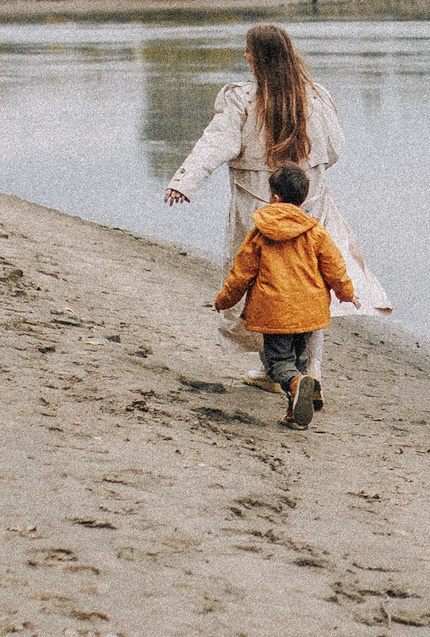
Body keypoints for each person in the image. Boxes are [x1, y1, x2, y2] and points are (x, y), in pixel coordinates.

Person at [165, 23, 389, 387]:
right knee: (314, 281)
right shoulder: (315, 97)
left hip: (258, 205)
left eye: (249, 51)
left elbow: (215, 143)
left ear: (260, 57)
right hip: (308, 200)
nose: (245, 57)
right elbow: (334, 150)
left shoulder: (241, 99)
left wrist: (185, 181)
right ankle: (311, 369)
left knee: (262, 281)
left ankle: (276, 371)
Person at [212, 164, 353, 427]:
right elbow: (335, 268)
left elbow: (241, 274)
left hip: (275, 311)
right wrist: (347, 294)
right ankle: (296, 404)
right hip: (309, 311)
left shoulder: (259, 233)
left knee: (279, 364)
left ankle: (298, 384)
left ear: (274, 197)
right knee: (298, 359)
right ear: (303, 198)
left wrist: (224, 300)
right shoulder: (316, 232)